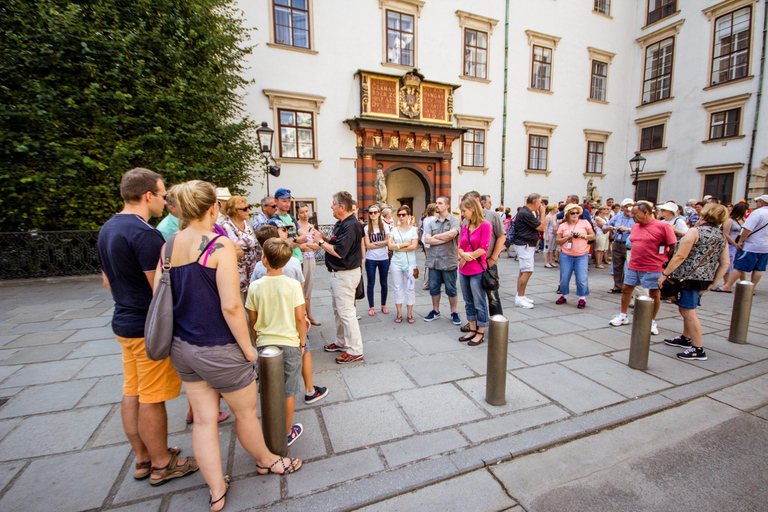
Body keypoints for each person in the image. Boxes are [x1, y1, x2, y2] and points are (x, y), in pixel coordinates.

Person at [162, 181, 300, 509]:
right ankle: (269, 460)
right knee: (246, 415)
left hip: (183, 346)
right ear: (214, 208)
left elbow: (161, 293)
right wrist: (248, 349)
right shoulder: (218, 245)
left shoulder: (168, 244)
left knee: (205, 419)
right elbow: (231, 306)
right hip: (219, 346)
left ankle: (215, 488)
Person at [97, 168, 198, 487]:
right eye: (163, 194)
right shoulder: (144, 234)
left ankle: (143, 457)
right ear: (147, 196)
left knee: (133, 391)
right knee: (152, 398)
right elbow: (160, 289)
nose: (166, 200)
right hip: (145, 328)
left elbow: (106, 280)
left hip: (123, 322)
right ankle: (162, 464)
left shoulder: (109, 227)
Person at [247, 237, 309, 447]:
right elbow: (300, 318)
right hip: (290, 343)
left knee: (268, 389)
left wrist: (257, 341)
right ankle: (286, 431)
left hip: (265, 346)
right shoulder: (292, 285)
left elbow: (252, 320)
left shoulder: (255, 286)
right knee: (289, 390)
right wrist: (302, 344)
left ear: (263, 259)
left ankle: (270, 430)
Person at [661, 204, 730, 360]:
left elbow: (680, 256)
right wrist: (713, 282)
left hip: (687, 278)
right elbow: (725, 262)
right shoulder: (720, 235)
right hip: (703, 279)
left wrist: (665, 274)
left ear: (704, 215)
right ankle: (686, 338)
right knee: (686, 308)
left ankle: (698, 348)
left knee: (689, 312)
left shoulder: (695, 231)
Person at [609, 202, 677, 335]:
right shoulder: (635, 227)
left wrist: (666, 263)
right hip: (634, 264)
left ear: (646, 212)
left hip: (654, 266)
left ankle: (651, 320)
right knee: (626, 289)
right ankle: (623, 315)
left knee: (654, 294)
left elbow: (672, 246)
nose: (632, 216)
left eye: (635, 213)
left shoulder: (663, 226)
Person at [314, 191, 365, 364]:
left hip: (345, 274)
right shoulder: (343, 223)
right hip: (339, 274)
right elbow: (338, 243)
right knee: (339, 311)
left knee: (347, 313)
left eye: (334, 204)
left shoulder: (351, 225)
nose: (331, 207)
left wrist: (321, 243)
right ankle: (342, 341)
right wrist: (324, 238)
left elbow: (339, 251)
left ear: (342, 207)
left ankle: (355, 350)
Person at [457, 197, 492, 346]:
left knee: (479, 301)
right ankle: (472, 329)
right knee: (468, 301)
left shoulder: (485, 225)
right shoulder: (465, 226)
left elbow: (483, 248)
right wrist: (462, 255)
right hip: (463, 269)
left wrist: (466, 256)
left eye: (464, 211)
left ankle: (480, 332)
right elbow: (459, 246)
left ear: (473, 209)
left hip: (477, 269)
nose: (463, 214)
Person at [718, 194, 768, 293]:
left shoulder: (758, 213)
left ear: (761, 203)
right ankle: (751, 288)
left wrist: (741, 240)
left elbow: (747, 229)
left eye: (757, 202)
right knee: (759, 269)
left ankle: (727, 286)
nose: (756, 203)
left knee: (740, 267)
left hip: (752, 245)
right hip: (765, 246)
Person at [424, 196, 462, 324]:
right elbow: (427, 239)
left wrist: (436, 237)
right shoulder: (432, 222)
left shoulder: (454, 221)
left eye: (440, 203)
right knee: (434, 288)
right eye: (436, 203)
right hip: (434, 260)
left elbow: (453, 234)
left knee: (451, 289)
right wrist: (444, 238)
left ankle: (454, 312)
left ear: (447, 206)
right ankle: (435, 311)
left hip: (448, 260)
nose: (437, 205)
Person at [555, 204, 595, 308]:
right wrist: (567, 237)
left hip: (581, 254)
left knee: (582, 277)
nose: (575, 215)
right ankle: (564, 295)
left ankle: (582, 297)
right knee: (564, 276)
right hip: (566, 254)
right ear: (567, 214)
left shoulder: (585, 223)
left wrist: (583, 236)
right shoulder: (563, 225)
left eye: (577, 213)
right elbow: (558, 240)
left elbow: (592, 236)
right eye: (572, 213)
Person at [220, 195, 259, 302]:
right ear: (234, 211)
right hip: (237, 271)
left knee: (253, 304)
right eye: (244, 209)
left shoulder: (246, 223)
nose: (248, 210)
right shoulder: (226, 226)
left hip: (251, 270)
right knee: (238, 303)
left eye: (248, 207)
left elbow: (254, 243)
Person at [513, 193, 547, 308]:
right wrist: (542, 213)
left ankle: (520, 295)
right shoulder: (526, 213)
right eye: (540, 203)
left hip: (525, 244)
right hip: (525, 245)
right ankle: (520, 297)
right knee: (527, 270)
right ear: (536, 202)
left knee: (523, 270)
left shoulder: (525, 212)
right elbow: (541, 227)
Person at [388, 205, 419, 323]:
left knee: (410, 288)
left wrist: (397, 247)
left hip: (410, 263)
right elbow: (390, 246)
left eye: (403, 215)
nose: (401, 217)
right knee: (397, 287)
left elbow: (414, 246)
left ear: (408, 216)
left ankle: (410, 314)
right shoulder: (394, 230)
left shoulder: (413, 229)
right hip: (396, 262)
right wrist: (406, 244)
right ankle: (399, 313)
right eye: (399, 215)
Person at [297, 202, 322, 325]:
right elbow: (299, 246)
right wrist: (307, 246)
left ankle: (309, 314)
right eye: (302, 212)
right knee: (300, 287)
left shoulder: (312, 227)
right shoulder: (297, 227)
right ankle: (302, 315)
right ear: (298, 213)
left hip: (311, 259)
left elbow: (318, 245)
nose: (305, 214)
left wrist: (307, 245)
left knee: (309, 287)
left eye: (307, 211)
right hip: (300, 260)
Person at [603, 199, 635, 293]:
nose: (628, 209)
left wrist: (628, 229)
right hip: (618, 242)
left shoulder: (635, 217)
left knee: (630, 266)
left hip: (630, 243)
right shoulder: (618, 217)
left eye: (630, 206)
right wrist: (609, 228)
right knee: (617, 266)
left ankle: (628, 286)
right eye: (626, 206)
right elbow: (605, 226)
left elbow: (640, 229)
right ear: (622, 207)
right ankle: (618, 286)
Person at [363, 204, 391, 316]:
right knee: (371, 283)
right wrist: (381, 243)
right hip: (371, 258)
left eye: (375, 212)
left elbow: (388, 241)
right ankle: (371, 306)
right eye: (370, 213)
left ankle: (383, 305)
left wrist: (374, 244)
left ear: (379, 213)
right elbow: (367, 246)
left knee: (384, 283)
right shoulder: (366, 228)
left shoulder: (384, 226)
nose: (373, 214)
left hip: (383, 258)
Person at [713, 202, 747, 290]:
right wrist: (734, 244)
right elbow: (726, 234)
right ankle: (727, 283)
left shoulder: (743, 220)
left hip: (740, 245)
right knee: (728, 264)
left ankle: (745, 284)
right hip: (730, 245)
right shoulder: (729, 220)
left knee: (740, 265)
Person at [271, 188, 307, 264]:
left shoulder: (292, 218)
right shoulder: (273, 221)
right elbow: (275, 245)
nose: (287, 204)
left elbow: (304, 238)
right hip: (285, 261)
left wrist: (293, 240)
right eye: (284, 201)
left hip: (299, 260)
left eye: (289, 201)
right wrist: (296, 241)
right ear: (275, 201)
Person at [420, 203, 437, 290]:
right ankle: (428, 283)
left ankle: (427, 282)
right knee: (432, 264)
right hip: (432, 242)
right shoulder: (435, 220)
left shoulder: (426, 219)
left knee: (428, 262)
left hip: (425, 242)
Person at [543, 204, 559, 268]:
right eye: (556, 208)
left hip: (554, 234)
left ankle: (551, 261)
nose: (557, 209)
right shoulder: (548, 217)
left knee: (552, 248)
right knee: (547, 248)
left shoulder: (554, 216)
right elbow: (546, 227)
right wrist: (547, 235)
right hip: (549, 233)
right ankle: (546, 262)